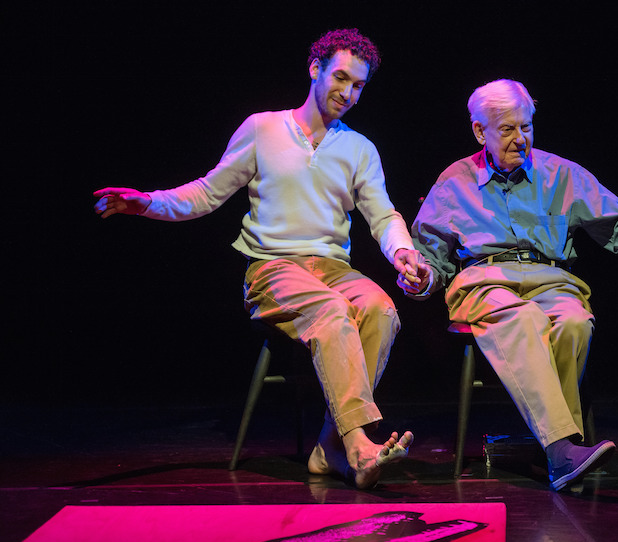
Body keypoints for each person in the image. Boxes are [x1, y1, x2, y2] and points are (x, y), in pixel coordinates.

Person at [94, 29, 421, 489]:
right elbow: (208, 192)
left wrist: (403, 251)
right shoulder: (263, 128)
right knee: (333, 312)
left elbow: (382, 214)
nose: (348, 93)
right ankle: (358, 445)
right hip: (273, 269)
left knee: (381, 309)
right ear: (315, 68)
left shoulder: (359, 148)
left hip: (333, 269)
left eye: (359, 85)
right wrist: (148, 202)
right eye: (341, 78)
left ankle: (331, 447)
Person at [399, 78, 618, 491]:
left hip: (552, 280)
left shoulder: (562, 174)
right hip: (484, 282)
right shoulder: (454, 181)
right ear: (481, 131)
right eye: (508, 129)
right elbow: (430, 260)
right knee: (524, 319)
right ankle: (561, 449)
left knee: (573, 321)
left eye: (527, 127)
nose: (522, 139)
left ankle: (556, 450)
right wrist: (420, 277)